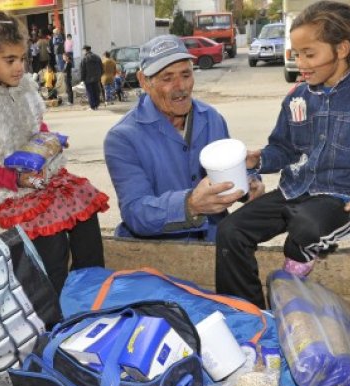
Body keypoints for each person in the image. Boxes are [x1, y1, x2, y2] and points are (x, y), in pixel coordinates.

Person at [215, 1, 350, 308]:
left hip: (344, 199)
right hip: (296, 190)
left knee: (306, 227)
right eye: (296, 53)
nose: (300, 63)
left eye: (310, 54)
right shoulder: (297, 98)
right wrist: (259, 159)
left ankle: (289, 289)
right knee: (229, 230)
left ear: (341, 49)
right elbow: (285, 148)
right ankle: (248, 314)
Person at [0, 10, 109, 294]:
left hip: (34, 179)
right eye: (10, 60)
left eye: (22, 59)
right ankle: (51, 311)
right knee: (52, 241)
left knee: (85, 208)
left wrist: (50, 143)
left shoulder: (24, 90)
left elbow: (36, 126)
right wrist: (15, 180)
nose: (19, 67)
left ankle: (89, 291)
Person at [104, 35, 260, 242]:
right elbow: (135, 212)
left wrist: (249, 182)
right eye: (167, 78)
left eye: (186, 75)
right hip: (159, 254)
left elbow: (227, 177)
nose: (181, 86)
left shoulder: (212, 118)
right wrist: (190, 205)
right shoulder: (122, 138)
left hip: (215, 242)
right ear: (144, 81)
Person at [80, 45, 103, 110]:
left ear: (85, 50)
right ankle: (97, 105)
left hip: (88, 79)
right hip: (96, 78)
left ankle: (92, 106)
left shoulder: (84, 59)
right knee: (96, 91)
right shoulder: (97, 57)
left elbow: (82, 70)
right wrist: (99, 76)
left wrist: (82, 79)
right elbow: (101, 68)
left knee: (90, 92)